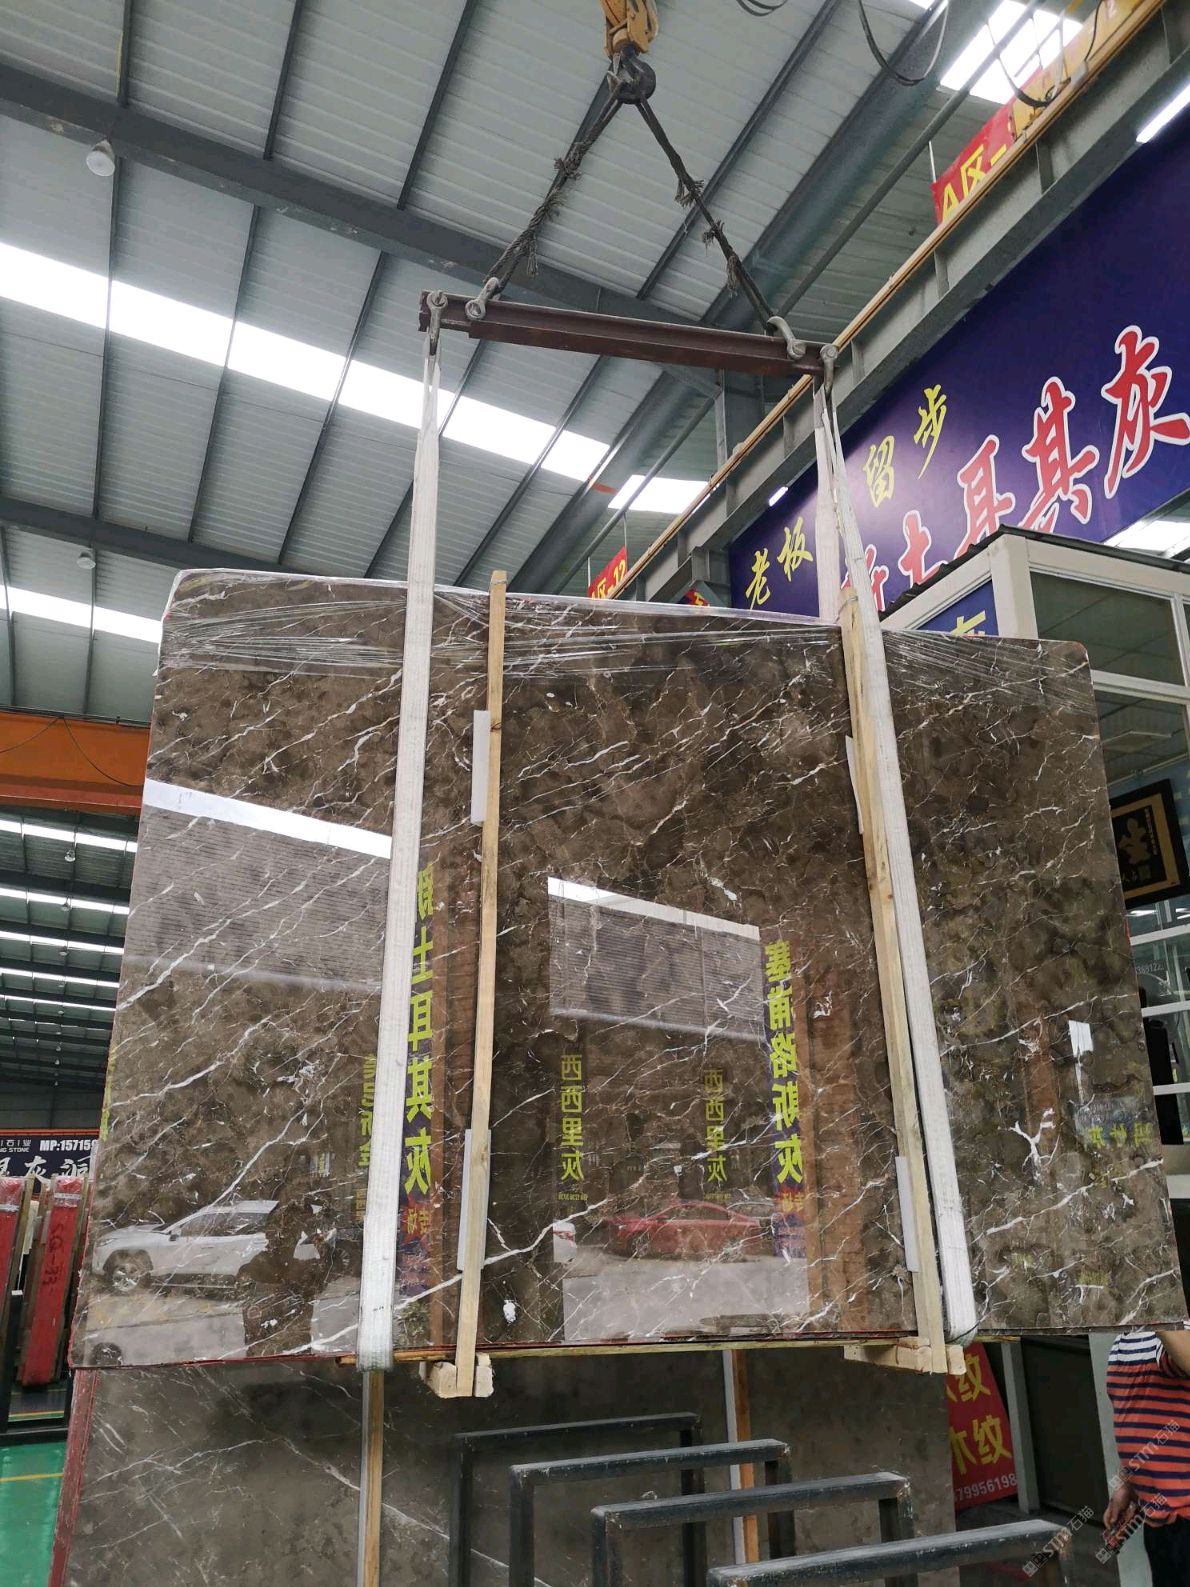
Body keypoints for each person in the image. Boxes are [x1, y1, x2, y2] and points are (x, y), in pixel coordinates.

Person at [1104, 1326, 1190, 1582]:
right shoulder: (1123, 1339)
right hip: (1160, 1521)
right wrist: (1127, 1485)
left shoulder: (1176, 1327)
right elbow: (1134, 1416)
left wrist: (1153, 1310)